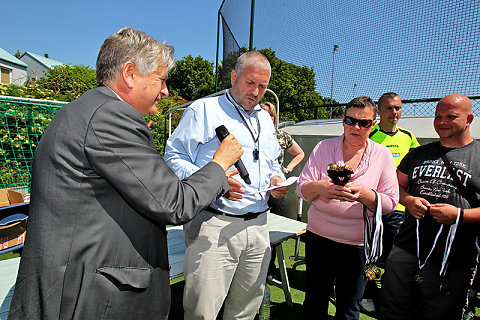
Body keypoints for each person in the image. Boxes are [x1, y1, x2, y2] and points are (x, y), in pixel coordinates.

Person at [7, 27, 243, 320]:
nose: (166, 90)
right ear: (130, 73)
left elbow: (147, 190)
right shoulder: (110, 116)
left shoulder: (88, 110)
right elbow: (173, 203)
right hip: (91, 299)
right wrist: (219, 165)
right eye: (161, 79)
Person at [164, 51, 289, 320]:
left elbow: (271, 163)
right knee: (202, 311)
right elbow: (173, 157)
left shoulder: (265, 120)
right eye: (250, 83)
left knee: (246, 309)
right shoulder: (203, 110)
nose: (256, 92)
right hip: (213, 224)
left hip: (259, 225)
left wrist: (276, 179)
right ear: (234, 76)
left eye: (263, 87)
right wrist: (214, 182)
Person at [296, 96, 399, 320]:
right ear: (342, 120)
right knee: (314, 300)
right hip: (318, 238)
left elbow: (390, 202)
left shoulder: (382, 155)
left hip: (358, 244)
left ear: (373, 125)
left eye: (364, 123)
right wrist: (321, 187)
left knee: (349, 305)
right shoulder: (324, 147)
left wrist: (365, 195)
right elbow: (301, 189)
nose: (356, 127)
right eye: (351, 120)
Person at [378, 94, 480, 320]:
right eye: (438, 116)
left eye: (451, 116)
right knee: (393, 308)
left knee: (439, 312)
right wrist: (409, 200)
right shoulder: (418, 153)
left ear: (469, 118)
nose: (442, 121)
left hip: (452, 256)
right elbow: (397, 186)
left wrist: (459, 215)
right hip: (407, 247)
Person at [360, 92, 420, 312]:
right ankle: (368, 292)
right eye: (389, 108)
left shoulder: (409, 137)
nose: (394, 112)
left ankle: (390, 293)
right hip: (371, 207)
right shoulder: (369, 134)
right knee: (371, 254)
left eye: (398, 108)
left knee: (394, 256)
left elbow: (416, 168)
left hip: (397, 208)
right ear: (379, 110)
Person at [260, 101, 305, 214]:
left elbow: (300, 154)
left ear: (274, 117)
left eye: (270, 115)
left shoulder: (282, 136)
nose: (267, 117)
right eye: (263, 113)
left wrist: (287, 169)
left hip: (276, 185)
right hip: (258, 186)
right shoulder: (251, 135)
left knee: (275, 214)